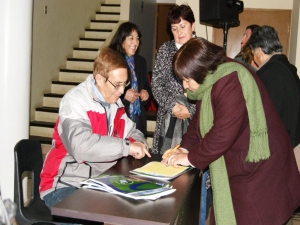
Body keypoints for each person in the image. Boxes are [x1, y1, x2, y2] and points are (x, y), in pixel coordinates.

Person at [162, 37, 300, 224]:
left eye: (186, 80)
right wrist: (184, 149)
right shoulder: (210, 79)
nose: (184, 86)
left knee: (257, 218)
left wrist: (189, 158)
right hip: (242, 164)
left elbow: (222, 135)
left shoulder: (230, 81)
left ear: (201, 69)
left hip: (260, 168)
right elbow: (198, 122)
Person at [39, 47, 151, 210]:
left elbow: (133, 132)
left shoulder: (115, 102)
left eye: (124, 84)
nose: (122, 91)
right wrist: (126, 147)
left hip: (99, 181)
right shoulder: (75, 101)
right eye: (117, 84)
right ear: (99, 79)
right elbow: (81, 147)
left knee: (132, 209)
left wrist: (138, 144)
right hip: (65, 183)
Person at [151, 4, 196, 154]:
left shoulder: (202, 50)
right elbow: (156, 84)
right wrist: (173, 106)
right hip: (168, 116)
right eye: (174, 28)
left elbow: (211, 89)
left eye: (183, 26)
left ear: (193, 25)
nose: (179, 32)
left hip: (196, 117)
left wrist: (191, 110)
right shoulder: (165, 50)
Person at [248, 25, 300, 149]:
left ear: (259, 51)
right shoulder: (288, 68)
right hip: (295, 140)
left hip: (280, 147)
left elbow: (265, 119)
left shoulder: (267, 75)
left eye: (253, 53)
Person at [109, 22, 151, 136]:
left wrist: (145, 93)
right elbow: (105, 87)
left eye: (137, 39)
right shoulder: (113, 60)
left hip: (138, 117)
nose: (135, 42)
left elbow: (146, 86)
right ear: (122, 40)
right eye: (131, 38)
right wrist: (123, 95)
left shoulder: (141, 62)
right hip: (119, 116)